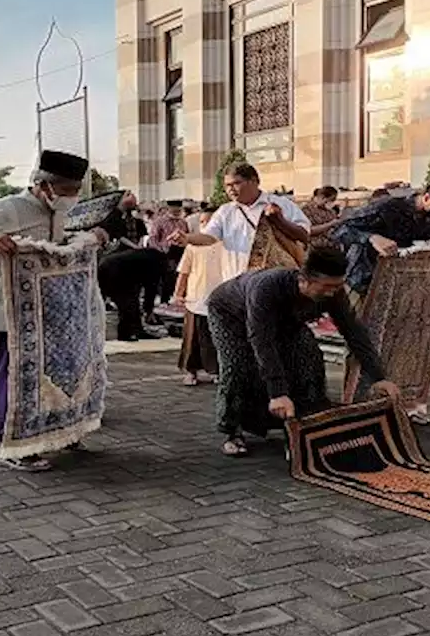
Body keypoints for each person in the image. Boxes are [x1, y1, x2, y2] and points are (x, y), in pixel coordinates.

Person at [0, 150, 108, 472]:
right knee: (13, 377)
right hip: (10, 314)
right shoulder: (8, 209)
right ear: (43, 185)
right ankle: (14, 443)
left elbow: (60, 247)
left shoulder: (59, 211)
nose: (71, 197)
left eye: (75, 190)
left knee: (60, 375)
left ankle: (58, 432)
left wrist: (89, 239)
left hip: (54, 315)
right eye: (66, 190)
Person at [206, 246, 401, 457]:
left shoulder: (333, 294)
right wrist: (278, 393)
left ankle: (303, 425)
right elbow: (262, 341)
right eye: (326, 286)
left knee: (309, 360)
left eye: (337, 286)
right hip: (231, 315)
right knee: (238, 367)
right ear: (304, 280)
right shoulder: (266, 288)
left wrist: (378, 377)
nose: (331, 292)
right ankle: (232, 431)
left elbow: (354, 333)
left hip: (288, 320)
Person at [331, 174, 430, 297]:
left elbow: (427, 234)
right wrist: (372, 238)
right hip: (362, 278)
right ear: (428, 198)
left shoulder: (428, 216)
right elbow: (340, 230)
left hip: (396, 283)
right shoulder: (387, 206)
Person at [171, 163, 310, 282]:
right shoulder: (225, 211)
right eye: (227, 185)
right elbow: (210, 237)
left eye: (236, 183)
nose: (230, 189)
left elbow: (304, 235)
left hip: (276, 281)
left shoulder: (281, 204)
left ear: (254, 181)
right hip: (237, 284)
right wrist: (187, 238)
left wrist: (279, 220)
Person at [173, 205, 222, 385]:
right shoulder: (192, 247)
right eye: (202, 222)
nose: (205, 225)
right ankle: (190, 372)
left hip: (219, 299)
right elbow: (183, 272)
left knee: (214, 338)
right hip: (195, 298)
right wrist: (178, 294)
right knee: (192, 339)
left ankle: (215, 370)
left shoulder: (226, 245)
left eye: (210, 222)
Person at [147, 199, 188, 307]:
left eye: (178, 210)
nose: (176, 212)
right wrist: (160, 250)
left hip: (180, 250)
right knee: (167, 276)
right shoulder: (160, 221)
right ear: (169, 209)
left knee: (180, 275)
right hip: (166, 251)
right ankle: (164, 300)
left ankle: (177, 297)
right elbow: (153, 238)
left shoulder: (182, 222)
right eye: (174, 209)